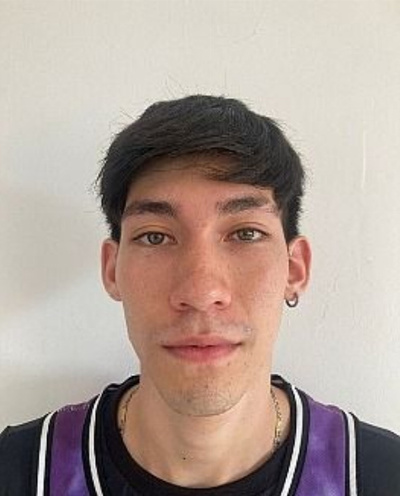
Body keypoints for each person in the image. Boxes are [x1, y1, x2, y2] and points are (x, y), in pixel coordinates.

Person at [1, 95, 399, 496]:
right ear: (112, 269)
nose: (201, 292)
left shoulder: (380, 475)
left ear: (295, 269)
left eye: (246, 233)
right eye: (155, 237)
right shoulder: (19, 470)